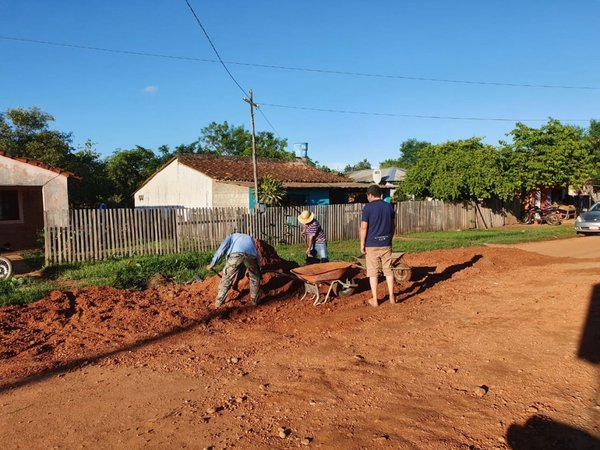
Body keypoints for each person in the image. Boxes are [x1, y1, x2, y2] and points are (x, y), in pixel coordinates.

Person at [360, 184, 396, 307]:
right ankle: (392, 297)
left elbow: (364, 227)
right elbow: (393, 226)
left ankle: (375, 300)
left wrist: (362, 243)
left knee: (373, 272)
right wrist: (389, 238)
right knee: (388, 270)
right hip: (386, 243)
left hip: (372, 244)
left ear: (370, 195)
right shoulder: (388, 207)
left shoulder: (368, 208)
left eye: (367, 196)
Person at [206, 233, 261, 307]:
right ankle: (255, 302)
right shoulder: (250, 238)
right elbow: (255, 255)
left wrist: (212, 264)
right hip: (251, 255)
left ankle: (218, 302)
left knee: (227, 277)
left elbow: (221, 250)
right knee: (255, 278)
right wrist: (258, 268)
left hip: (236, 255)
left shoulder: (231, 236)